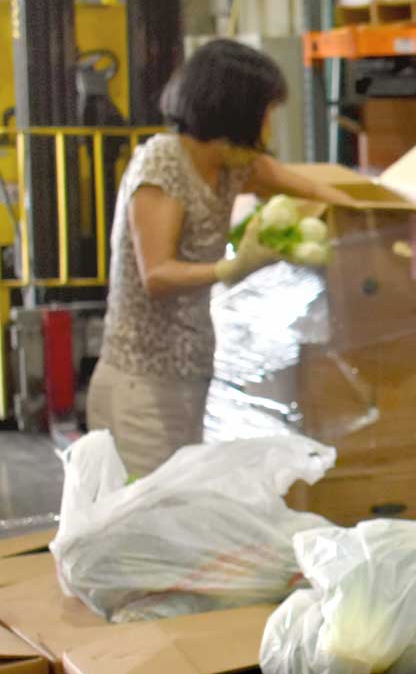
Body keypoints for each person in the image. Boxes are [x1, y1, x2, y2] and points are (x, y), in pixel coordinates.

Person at [89, 39, 353, 477]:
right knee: (146, 519)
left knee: (180, 509)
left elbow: (312, 188)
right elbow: (155, 273)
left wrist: (374, 210)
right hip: (142, 382)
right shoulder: (163, 164)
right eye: (268, 111)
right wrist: (232, 268)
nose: (270, 124)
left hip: (191, 373)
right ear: (238, 109)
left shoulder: (235, 164)